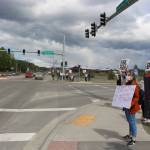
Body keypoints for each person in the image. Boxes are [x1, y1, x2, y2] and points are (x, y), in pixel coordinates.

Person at [123, 70, 140, 146]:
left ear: (133, 76)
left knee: (132, 122)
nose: (127, 76)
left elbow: (137, 97)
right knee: (129, 121)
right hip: (127, 106)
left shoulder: (134, 84)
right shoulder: (127, 83)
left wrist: (130, 103)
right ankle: (130, 135)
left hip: (132, 107)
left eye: (129, 75)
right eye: (127, 75)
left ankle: (133, 139)